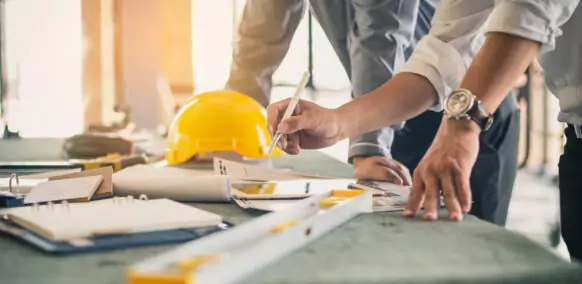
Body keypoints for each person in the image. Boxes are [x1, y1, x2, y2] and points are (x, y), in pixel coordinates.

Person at [266, 0, 581, 261]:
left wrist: (461, 124)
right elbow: (446, 50)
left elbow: (529, 12)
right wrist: (339, 122)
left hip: (480, 115)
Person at [226, 0, 520, 226]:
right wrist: (228, 122)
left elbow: (380, 37)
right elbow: (260, 33)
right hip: (385, 109)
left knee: (467, 250)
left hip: (471, 110)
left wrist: (369, 147)